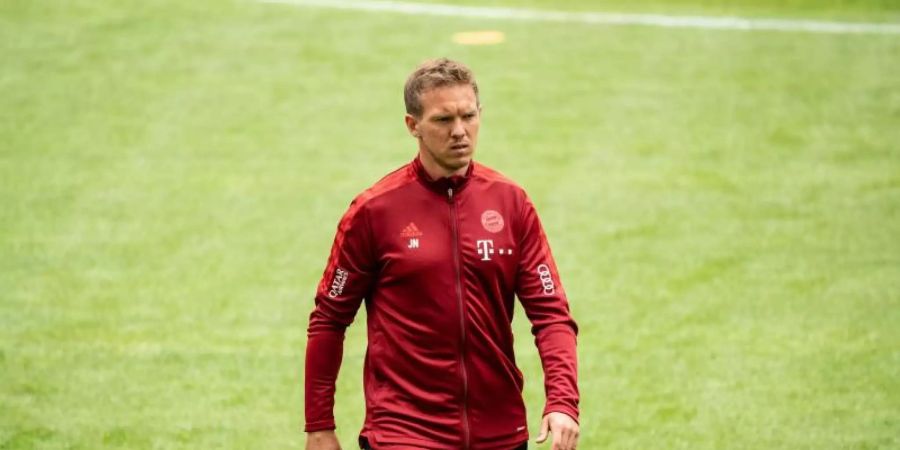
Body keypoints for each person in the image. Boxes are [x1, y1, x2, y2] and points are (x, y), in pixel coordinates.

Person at [305, 58, 580, 450]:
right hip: (404, 432)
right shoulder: (374, 212)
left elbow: (552, 314)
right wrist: (319, 425)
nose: (459, 132)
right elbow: (329, 320)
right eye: (442, 120)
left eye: (469, 116)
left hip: (499, 434)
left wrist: (563, 402)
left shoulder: (511, 203)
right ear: (412, 126)